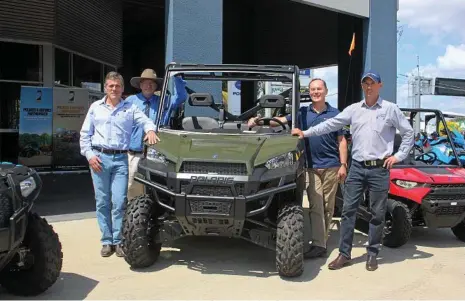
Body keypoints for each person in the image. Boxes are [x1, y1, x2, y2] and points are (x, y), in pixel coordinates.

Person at [291, 71, 414, 271]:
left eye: (372, 83)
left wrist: (398, 157)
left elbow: (409, 133)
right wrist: (305, 133)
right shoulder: (354, 110)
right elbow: (330, 125)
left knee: (377, 214)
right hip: (357, 167)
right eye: (365, 83)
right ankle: (344, 254)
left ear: (379, 86)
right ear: (362, 86)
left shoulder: (391, 109)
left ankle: (372, 254)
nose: (369, 87)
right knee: (348, 212)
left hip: (380, 168)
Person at [248, 78, 348, 258]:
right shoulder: (301, 113)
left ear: (325, 91)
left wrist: (343, 164)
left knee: (327, 206)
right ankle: (319, 244)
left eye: (318, 89)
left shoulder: (335, 114)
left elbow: (341, 141)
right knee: (316, 204)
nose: (315, 92)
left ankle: (321, 239)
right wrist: (258, 121)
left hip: (332, 166)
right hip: (310, 166)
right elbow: (277, 121)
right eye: (312, 89)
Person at [80, 71, 160, 258]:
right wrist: (90, 156)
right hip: (99, 159)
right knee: (102, 202)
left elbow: (146, 121)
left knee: (118, 202)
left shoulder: (129, 108)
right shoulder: (95, 107)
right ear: (106, 87)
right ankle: (107, 241)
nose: (114, 89)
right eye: (111, 86)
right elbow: (85, 135)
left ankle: (118, 240)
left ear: (122, 88)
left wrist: (150, 130)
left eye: (117, 86)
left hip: (121, 160)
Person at [125, 68, 187, 200]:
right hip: (134, 153)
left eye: (151, 83)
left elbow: (181, 96)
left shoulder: (164, 101)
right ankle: (132, 216)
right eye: (145, 83)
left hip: (156, 155)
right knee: (131, 187)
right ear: (140, 85)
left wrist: (177, 77)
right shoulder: (130, 101)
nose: (148, 85)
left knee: (157, 188)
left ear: (156, 86)